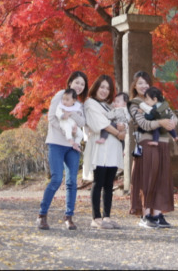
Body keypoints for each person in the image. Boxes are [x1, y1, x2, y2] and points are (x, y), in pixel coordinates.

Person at [37, 71, 88, 231]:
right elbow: (52, 118)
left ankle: (68, 217)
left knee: (72, 181)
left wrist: (72, 115)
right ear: (70, 82)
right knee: (57, 178)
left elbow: (82, 121)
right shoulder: (61, 95)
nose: (79, 86)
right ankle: (42, 215)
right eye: (77, 82)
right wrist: (67, 134)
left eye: (82, 84)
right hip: (57, 143)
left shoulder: (78, 104)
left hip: (72, 147)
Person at [127, 71, 178, 229]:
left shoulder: (157, 99)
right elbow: (143, 124)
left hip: (162, 143)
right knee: (147, 178)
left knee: (161, 178)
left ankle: (157, 214)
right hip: (146, 143)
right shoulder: (134, 103)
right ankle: (146, 214)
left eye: (146, 83)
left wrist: (172, 123)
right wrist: (162, 122)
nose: (144, 86)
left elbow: (173, 116)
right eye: (140, 83)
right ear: (134, 85)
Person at [82, 75, 125, 229]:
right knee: (98, 182)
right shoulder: (90, 103)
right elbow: (101, 124)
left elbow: (121, 122)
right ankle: (96, 218)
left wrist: (123, 131)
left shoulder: (109, 106)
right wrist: (118, 133)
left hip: (113, 148)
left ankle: (107, 216)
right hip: (99, 147)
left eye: (107, 88)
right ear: (96, 87)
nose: (104, 90)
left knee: (108, 184)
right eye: (102, 87)